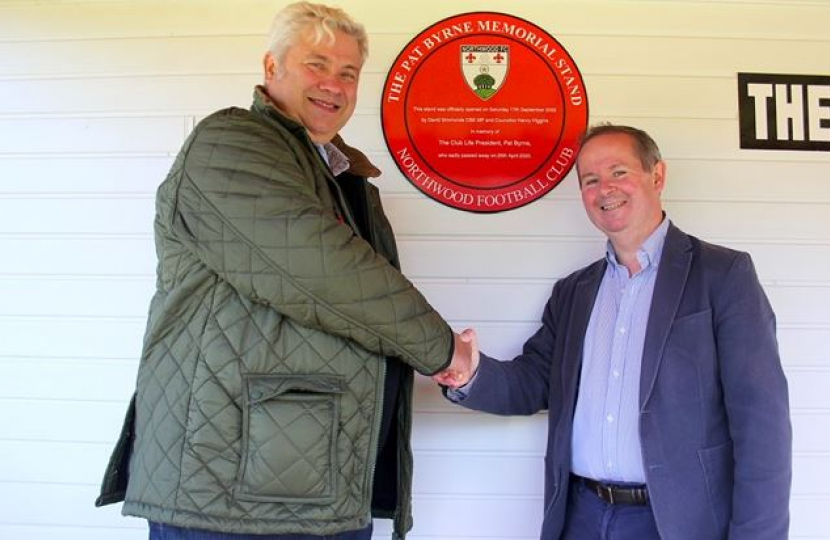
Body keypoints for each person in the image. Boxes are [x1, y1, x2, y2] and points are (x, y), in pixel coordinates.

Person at [95, 3, 472, 539]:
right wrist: (444, 349)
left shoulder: (345, 179)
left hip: (314, 484)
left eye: (348, 73)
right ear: (271, 68)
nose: (334, 85)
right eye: (317, 65)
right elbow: (328, 273)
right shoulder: (230, 143)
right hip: (228, 494)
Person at [436, 124, 792, 540]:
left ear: (656, 176)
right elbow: (535, 382)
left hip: (677, 524)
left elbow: (762, 426)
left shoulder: (723, 276)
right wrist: (469, 371)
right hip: (582, 516)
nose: (604, 189)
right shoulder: (573, 292)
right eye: (590, 180)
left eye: (618, 172)